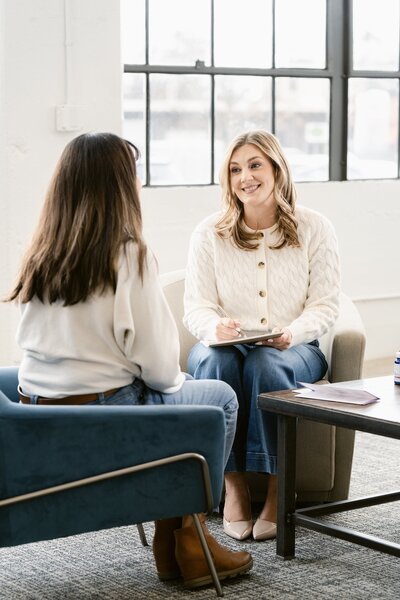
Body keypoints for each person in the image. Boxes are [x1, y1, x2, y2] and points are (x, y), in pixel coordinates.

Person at [5, 132, 252, 587]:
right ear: (120, 186)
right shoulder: (129, 254)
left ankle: (176, 538)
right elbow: (159, 368)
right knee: (217, 397)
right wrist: (168, 381)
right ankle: (186, 537)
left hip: (34, 414)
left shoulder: (40, 254)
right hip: (104, 415)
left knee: (188, 405)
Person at [183, 130, 340, 542]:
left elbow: (325, 305)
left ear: (276, 170)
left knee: (265, 362)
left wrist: (293, 332)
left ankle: (276, 489)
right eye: (235, 169)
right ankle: (232, 485)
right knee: (216, 361)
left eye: (255, 165)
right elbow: (195, 306)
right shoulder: (209, 232)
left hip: (295, 347)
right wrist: (212, 328)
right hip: (226, 344)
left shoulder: (315, 227)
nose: (245, 177)